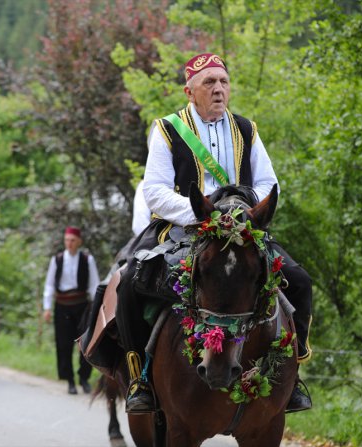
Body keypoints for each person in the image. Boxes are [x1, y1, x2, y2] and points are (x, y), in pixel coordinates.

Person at [115, 53, 313, 413]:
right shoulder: (166, 130)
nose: (219, 89)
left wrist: (243, 211)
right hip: (182, 229)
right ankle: (140, 380)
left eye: (223, 81)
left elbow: (269, 183)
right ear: (190, 92)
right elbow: (154, 191)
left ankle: (292, 377)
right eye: (210, 83)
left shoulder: (247, 129)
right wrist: (201, 214)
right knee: (129, 283)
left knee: (300, 281)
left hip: (242, 229)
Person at [42, 226, 100, 395]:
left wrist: (96, 308)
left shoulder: (87, 260)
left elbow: (94, 285)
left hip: (82, 306)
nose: (69, 243)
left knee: (86, 343)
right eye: (67, 240)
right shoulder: (57, 260)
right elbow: (49, 285)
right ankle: (69, 381)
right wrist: (47, 307)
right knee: (64, 344)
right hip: (62, 307)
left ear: (79, 241)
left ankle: (84, 377)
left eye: (73, 240)